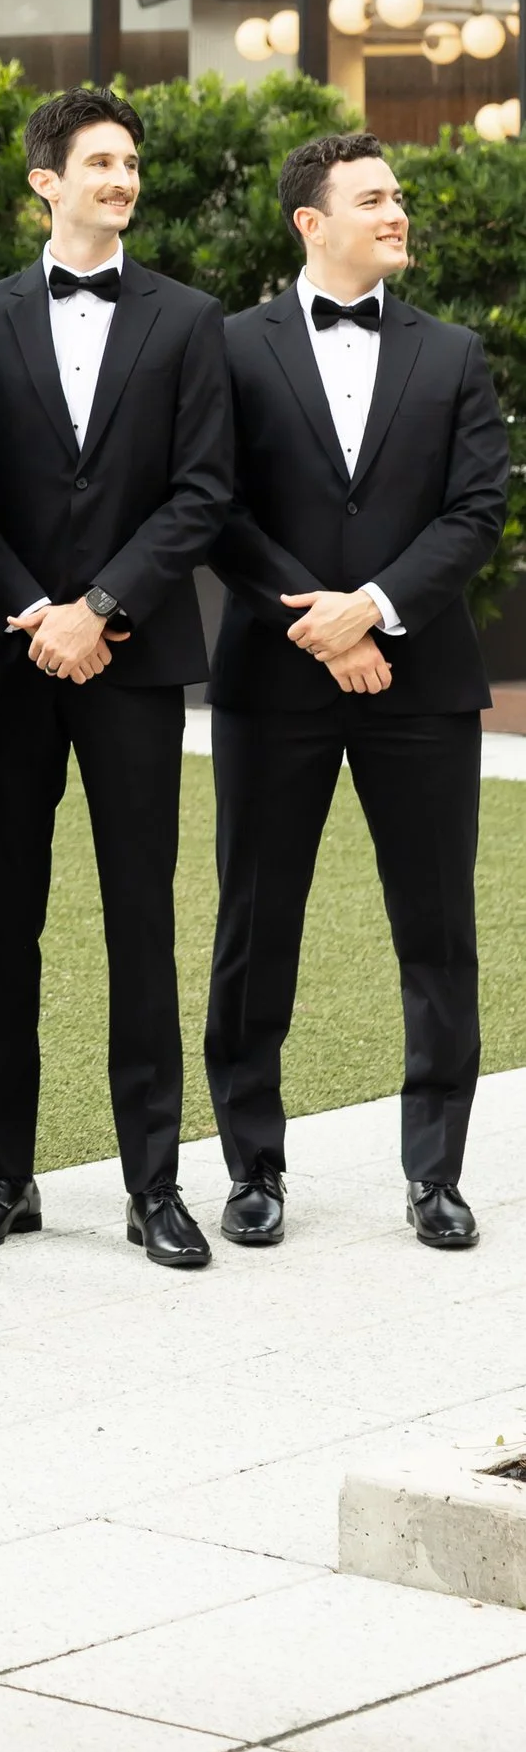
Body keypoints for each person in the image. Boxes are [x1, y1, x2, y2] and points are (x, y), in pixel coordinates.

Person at [0, 86, 232, 1272]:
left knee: (138, 917)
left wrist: (98, 610)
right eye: (97, 162)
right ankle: (2, 1178)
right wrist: (34, 615)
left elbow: (202, 491)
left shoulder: (187, 320)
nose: (119, 178)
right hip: (12, 666)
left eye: (128, 163)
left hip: (132, 661)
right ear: (43, 181)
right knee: (5, 918)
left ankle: (153, 1184)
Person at [204, 129, 508, 1253]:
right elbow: (213, 507)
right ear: (308, 220)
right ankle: (252, 1167)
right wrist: (321, 624)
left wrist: (372, 608)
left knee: (435, 930)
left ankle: (435, 1174)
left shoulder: (454, 353)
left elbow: (475, 511)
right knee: (254, 925)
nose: (397, 212)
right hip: (273, 684)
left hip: (418, 681)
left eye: (399, 196)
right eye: (373, 198)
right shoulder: (229, 348)